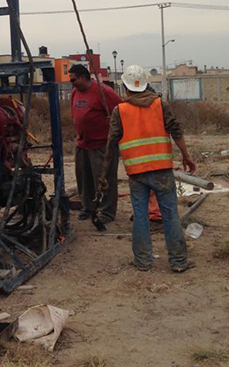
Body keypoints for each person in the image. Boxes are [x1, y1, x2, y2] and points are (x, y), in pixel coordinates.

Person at [100, 65, 196, 273]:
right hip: (162, 170)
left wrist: (105, 174)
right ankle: (178, 262)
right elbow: (176, 130)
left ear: (125, 87)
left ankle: (143, 261)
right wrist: (186, 156)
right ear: (145, 85)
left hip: (137, 173)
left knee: (140, 216)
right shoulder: (160, 105)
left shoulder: (120, 111)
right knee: (170, 214)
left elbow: (111, 144)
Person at [69, 64, 122, 226]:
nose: (71, 83)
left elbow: (121, 112)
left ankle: (107, 211)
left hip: (102, 145)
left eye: (73, 79)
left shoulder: (104, 92)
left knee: (104, 179)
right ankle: (88, 207)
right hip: (82, 143)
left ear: (83, 77)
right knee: (84, 178)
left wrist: (112, 124)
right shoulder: (75, 92)